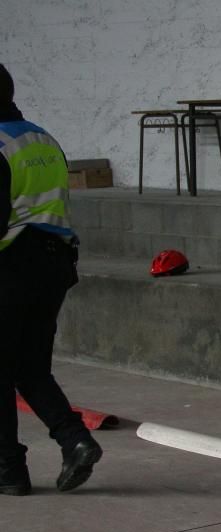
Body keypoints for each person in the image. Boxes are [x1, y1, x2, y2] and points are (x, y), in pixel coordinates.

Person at [0, 64, 103, 497]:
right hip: (53, 261)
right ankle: (75, 440)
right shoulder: (39, 136)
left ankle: (8, 471)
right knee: (30, 367)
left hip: (11, 263)